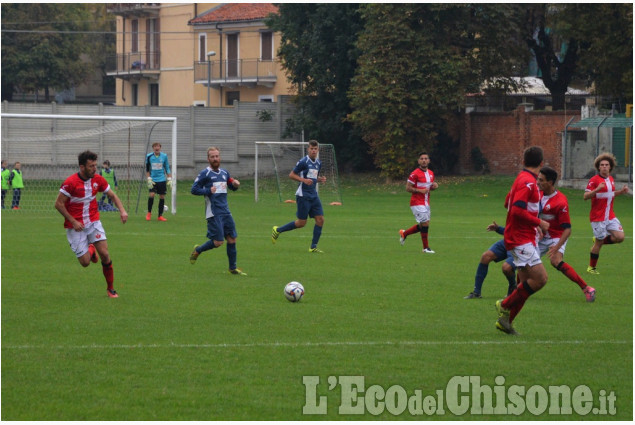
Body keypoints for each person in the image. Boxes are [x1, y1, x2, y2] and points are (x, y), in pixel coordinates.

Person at [54, 150, 128, 298]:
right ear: (82, 167)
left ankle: (111, 289)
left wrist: (122, 211)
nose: (95, 168)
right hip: (76, 226)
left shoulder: (98, 180)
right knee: (85, 262)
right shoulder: (70, 183)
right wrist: (73, 221)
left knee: (105, 255)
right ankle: (90, 249)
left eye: (95, 165)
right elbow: (58, 204)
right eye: (91, 166)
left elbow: (112, 195)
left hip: (93, 222)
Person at [495, 146, 550, 335]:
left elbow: (507, 204)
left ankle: (506, 322)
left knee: (526, 284)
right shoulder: (527, 182)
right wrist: (539, 222)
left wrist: (533, 226)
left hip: (523, 235)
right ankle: (504, 304)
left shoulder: (522, 179)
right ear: (541, 164)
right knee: (541, 279)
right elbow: (516, 210)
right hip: (520, 238)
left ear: (524, 161)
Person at [537, 166, 595, 302]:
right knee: (525, 260)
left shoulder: (560, 202)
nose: (538, 182)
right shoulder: (536, 194)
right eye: (537, 179)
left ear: (550, 182)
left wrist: (556, 247)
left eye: (541, 180)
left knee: (555, 261)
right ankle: (518, 291)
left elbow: (567, 229)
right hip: (539, 235)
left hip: (556, 236)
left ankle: (587, 288)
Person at [189, 147, 247, 275]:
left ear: (219, 157)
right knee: (218, 242)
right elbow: (194, 189)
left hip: (226, 211)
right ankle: (198, 250)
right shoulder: (205, 173)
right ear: (208, 159)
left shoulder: (224, 173)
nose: (215, 159)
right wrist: (208, 191)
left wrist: (235, 185)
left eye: (217, 156)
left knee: (232, 239)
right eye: (212, 157)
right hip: (214, 212)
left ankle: (232, 268)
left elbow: (231, 185)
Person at [271, 139, 327, 253]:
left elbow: (313, 178)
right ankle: (278, 230)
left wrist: (319, 180)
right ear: (308, 149)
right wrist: (303, 180)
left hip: (313, 195)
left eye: (315, 149)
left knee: (320, 219)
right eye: (311, 149)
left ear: (318, 150)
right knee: (301, 223)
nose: (313, 151)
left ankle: (313, 247)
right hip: (303, 195)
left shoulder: (318, 163)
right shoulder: (303, 162)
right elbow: (291, 175)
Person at [583, 152, 630, 275]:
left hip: (610, 216)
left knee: (620, 237)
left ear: (610, 167)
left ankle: (598, 240)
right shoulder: (594, 180)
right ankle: (591, 268)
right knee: (598, 243)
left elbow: (610, 194)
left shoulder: (611, 179)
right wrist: (597, 189)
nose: (604, 166)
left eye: (606, 165)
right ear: (598, 167)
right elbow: (585, 196)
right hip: (598, 218)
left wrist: (621, 192)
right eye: (602, 165)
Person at [464, 221, 517, 299]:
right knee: (485, 256)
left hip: (520, 245)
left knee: (507, 268)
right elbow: (512, 231)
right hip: (508, 241)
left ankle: (513, 286)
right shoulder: (514, 210)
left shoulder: (529, 212)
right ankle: (476, 292)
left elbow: (520, 233)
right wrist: (498, 229)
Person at [399, 151, 438, 253]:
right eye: (422, 159)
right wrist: (419, 190)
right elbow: (408, 188)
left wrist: (434, 187)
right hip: (416, 202)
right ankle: (425, 248)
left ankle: (405, 233)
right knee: (425, 224)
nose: (424, 160)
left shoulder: (431, 173)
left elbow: (429, 187)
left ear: (429, 161)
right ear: (418, 161)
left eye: (426, 158)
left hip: (426, 202)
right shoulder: (414, 174)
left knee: (423, 225)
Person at [145, 142, 172, 221]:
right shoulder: (149, 156)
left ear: (160, 147)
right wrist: (149, 178)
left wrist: (169, 178)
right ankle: (149, 213)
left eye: (158, 146)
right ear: (153, 148)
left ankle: (160, 215)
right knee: (152, 194)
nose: (157, 148)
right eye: (155, 146)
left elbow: (167, 167)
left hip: (162, 179)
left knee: (162, 196)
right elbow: (147, 169)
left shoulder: (164, 156)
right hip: (153, 180)